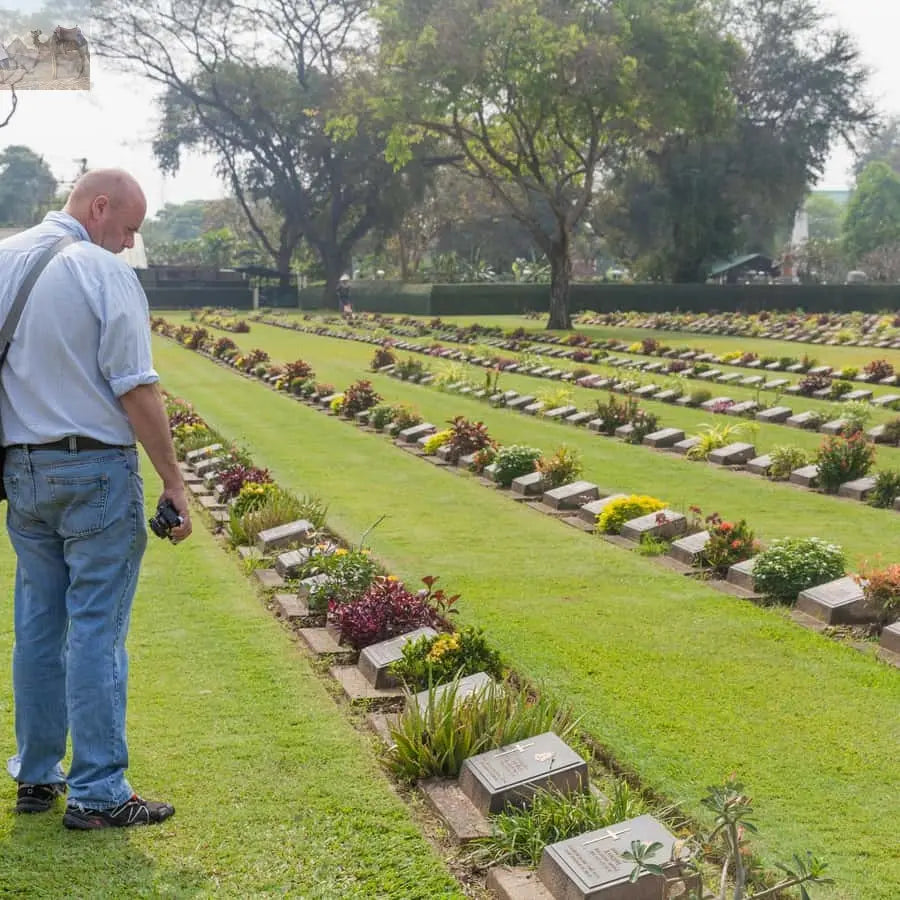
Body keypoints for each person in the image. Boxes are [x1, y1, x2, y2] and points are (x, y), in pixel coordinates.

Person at [0, 168, 192, 830]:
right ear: (99, 207)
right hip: (95, 470)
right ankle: (100, 791)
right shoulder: (102, 271)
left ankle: (36, 773)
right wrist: (174, 480)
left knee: (37, 623)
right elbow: (135, 386)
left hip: (23, 470)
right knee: (96, 628)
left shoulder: (4, 258)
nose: (130, 243)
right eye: (129, 228)